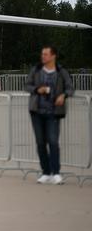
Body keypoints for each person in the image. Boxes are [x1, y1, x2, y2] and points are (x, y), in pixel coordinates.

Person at [25, 45, 74, 185]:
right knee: (40, 143)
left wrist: (63, 96)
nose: (43, 57)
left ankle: (56, 173)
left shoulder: (61, 71)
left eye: (45, 54)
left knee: (53, 142)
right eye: (42, 54)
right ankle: (46, 172)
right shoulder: (36, 70)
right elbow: (27, 85)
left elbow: (70, 88)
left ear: (53, 56)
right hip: (37, 112)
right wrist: (36, 89)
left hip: (53, 113)